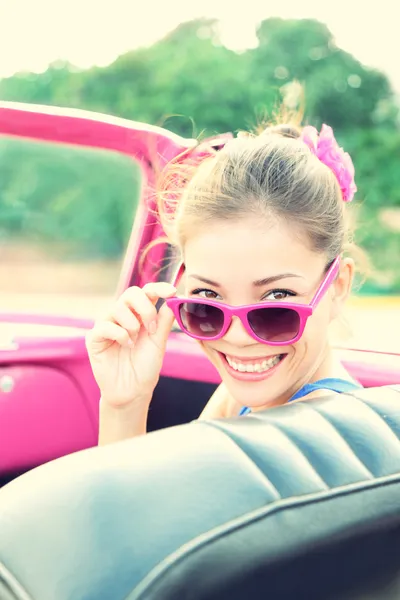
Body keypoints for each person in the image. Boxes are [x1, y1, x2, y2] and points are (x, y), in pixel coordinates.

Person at [85, 114, 364, 446]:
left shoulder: (314, 433)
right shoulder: (250, 395)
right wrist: (125, 403)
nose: (237, 337)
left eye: (276, 299)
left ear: (337, 287)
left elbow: (132, 499)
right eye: (208, 300)